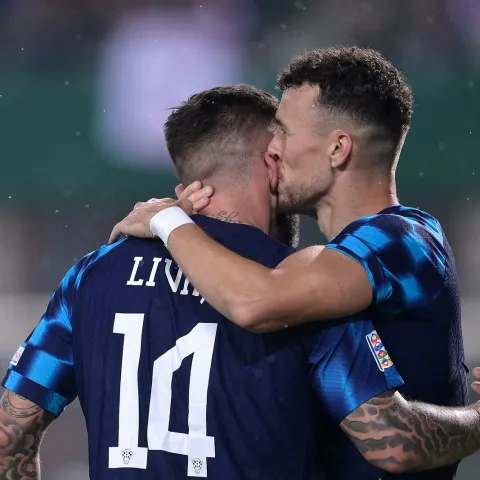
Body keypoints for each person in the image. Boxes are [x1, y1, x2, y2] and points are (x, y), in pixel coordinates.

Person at [1, 85, 409, 480]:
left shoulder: (91, 274)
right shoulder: (302, 284)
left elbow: (11, 436)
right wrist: (473, 421)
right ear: (271, 161)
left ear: (186, 185)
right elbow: (391, 441)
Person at [110, 47, 480, 479]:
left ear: (338, 148)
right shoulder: (324, 266)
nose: (272, 148)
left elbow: (256, 302)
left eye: (283, 131)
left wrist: (169, 222)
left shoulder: (401, 239)